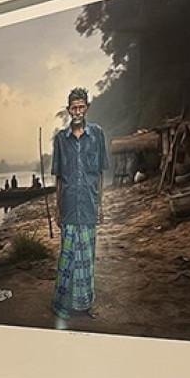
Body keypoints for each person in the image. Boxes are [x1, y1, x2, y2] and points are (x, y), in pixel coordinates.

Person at [51, 87, 109, 319]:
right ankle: (62, 304)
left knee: (86, 258)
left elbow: (100, 174)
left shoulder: (97, 134)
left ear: (87, 108)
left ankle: (85, 303)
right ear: (69, 110)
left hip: (88, 205)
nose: (77, 111)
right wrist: (57, 208)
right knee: (67, 257)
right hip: (68, 206)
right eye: (73, 108)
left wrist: (101, 205)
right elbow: (58, 177)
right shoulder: (60, 140)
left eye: (81, 107)